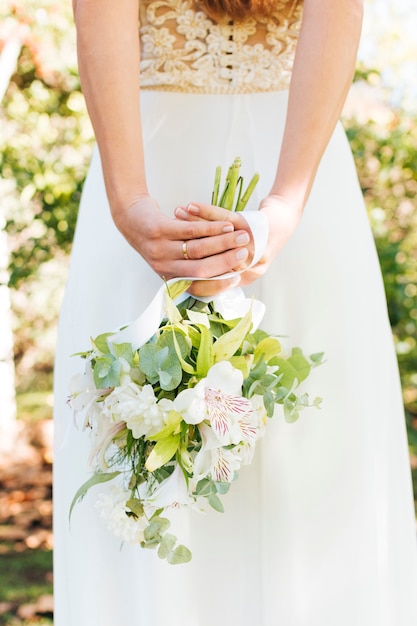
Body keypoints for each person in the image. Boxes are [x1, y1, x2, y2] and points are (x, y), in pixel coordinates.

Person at [53, 0, 417, 624]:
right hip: (152, 164)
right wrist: (128, 200)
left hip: (287, 167)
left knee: (312, 458)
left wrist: (284, 205)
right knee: (138, 460)